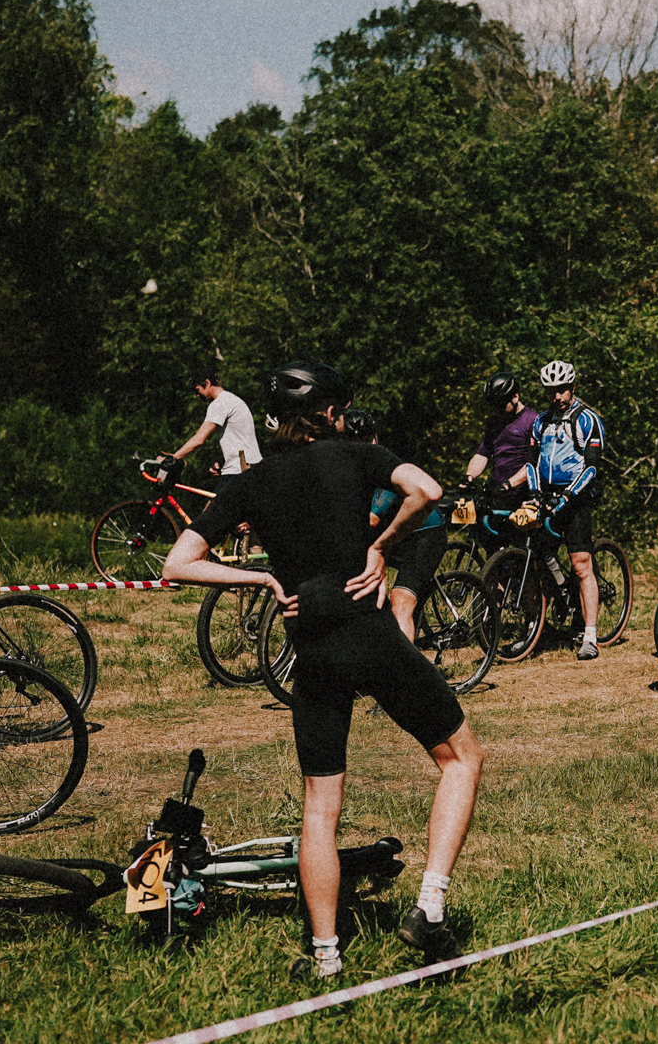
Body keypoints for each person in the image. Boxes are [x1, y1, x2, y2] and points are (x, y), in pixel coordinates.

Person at [162, 361, 481, 981]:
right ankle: (430, 908)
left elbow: (178, 563)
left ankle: (327, 957)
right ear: (333, 413)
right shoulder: (356, 454)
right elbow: (430, 491)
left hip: (310, 641)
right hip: (367, 628)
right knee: (460, 757)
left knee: (319, 806)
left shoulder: (251, 481)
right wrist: (381, 546)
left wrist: (259, 576)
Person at [347, 409, 447, 639]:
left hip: (424, 535)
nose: (362, 449)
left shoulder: (384, 469)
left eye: (366, 441)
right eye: (354, 444)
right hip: (395, 538)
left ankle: (406, 675)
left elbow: (372, 519)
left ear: (375, 439)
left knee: (400, 602)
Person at [531, 360, 608, 660]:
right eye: (552, 391)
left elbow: (592, 467)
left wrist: (567, 496)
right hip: (548, 495)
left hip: (576, 497)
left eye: (562, 390)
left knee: (581, 565)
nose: (557, 397)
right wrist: (536, 492)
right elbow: (530, 461)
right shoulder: (541, 422)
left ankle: (590, 636)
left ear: (573, 388)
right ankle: (557, 603)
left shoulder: (587, 420)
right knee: (540, 554)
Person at [160, 367, 262, 480]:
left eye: (197, 390)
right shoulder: (232, 399)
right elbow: (241, 440)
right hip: (252, 468)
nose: (197, 396)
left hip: (238, 472)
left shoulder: (220, 403)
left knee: (215, 499)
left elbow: (199, 440)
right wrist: (223, 460)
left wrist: (172, 458)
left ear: (207, 383)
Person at [463, 372, 539, 505]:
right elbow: (482, 455)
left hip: (523, 496)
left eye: (501, 405)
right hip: (497, 494)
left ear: (515, 397)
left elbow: (535, 463)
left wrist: (508, 485)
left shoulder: (533, 421)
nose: (498, 410)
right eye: (494, 405)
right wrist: (469, 476)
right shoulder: (494, 422)